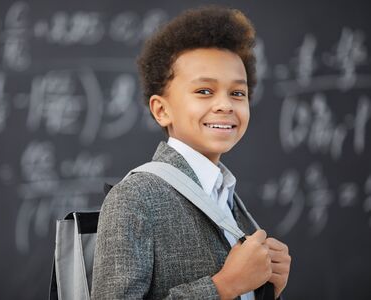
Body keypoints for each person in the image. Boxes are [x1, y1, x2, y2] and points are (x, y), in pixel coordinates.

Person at [91, 5, 291, 300]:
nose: (225, 105)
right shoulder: (134, 196)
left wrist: (268, 288)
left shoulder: (225, 194)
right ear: (161, 110)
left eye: (238, 93)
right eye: (204, 91)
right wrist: (224, 286)